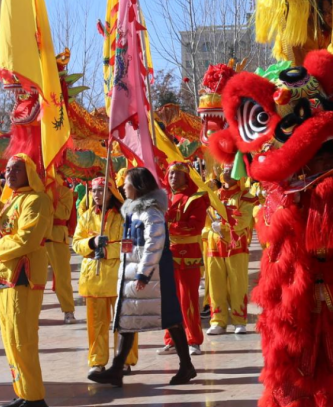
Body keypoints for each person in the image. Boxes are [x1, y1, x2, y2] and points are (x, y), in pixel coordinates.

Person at [90, 166, 196, 387]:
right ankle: (117, 368)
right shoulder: (133, 211)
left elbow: (154, 244)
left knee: (171, 318)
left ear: (138, 187)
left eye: (126, 183)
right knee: (128, 318)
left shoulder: (151, 212)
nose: (123, 187)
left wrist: (143, 272)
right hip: (136, 273)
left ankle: (186, 366)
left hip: (154, 274)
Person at [0, 154, 52, 407]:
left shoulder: (37, 200)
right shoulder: (9, 201)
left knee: (23, 339)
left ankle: (35, 397)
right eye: (8, 169)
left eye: (17, 169)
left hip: (22, 276)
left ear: (30, 173)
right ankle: (22, 390)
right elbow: (1, 234)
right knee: (9, 339)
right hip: (3, 275)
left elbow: (27, 238)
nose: (10, 173)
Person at [73, 176, 138, 377]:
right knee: (96, 324)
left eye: (102, 190)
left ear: (111, 192)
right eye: (94, 191)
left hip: (119, 275)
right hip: (94, 277)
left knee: (124, 321)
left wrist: (109, 248)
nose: (97, 194)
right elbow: (76, 243)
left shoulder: (124, 216)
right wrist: (91, 243)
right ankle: (97, 361)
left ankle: (125, 359)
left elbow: (132, 244)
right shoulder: (85, 217)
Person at [161, 162, 209, 355]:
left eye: (177, 174)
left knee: (188, 299)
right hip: (166, 256)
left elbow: (195, 227)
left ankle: (193, 340)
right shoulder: (162, 198)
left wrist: (167, 227)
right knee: (169, 300)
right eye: (170, 174)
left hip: (187, 256)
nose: (173, 177)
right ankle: (171, 339)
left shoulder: (196, 199)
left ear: (186, 177)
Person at [205, 170, 257, 335]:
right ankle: (218, 321)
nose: (228, 172)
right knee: (215, 285)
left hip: (237, 246)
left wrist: (224, 227)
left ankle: (239, 320)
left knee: (238, 284)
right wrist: (208, 232)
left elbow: (244, 220)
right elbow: (204, 222)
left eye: (232, 169)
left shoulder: (246, 197)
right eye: (225, 169)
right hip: (214, 246)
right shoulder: (212, 197)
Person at [46, 178, 77, 323]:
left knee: (62, 277)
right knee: (31, 277)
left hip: (57, 237)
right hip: (36, 236)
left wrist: (48, 199)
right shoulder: (34, 190)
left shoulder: (64, 192)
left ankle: (68, 310)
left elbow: (64, 214)